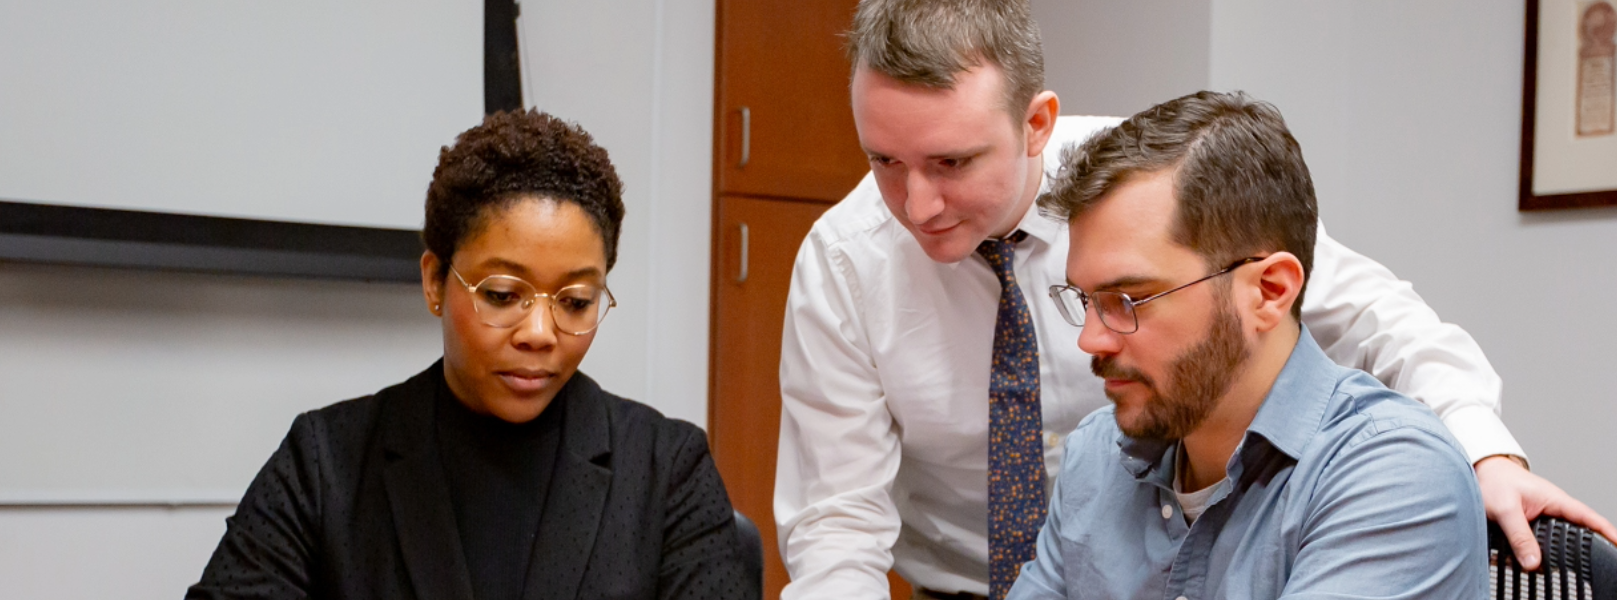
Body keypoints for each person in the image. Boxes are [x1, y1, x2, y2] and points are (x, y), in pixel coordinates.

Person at [773, 1, 1616, 598]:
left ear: (1037, 125)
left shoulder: (1143, 187)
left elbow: (1371, 315)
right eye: (884, 161)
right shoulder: (851, 265)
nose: (915, 203)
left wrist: (1483, 453)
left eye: (951, 163)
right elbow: (837, 529)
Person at [187, 109, 757, 600]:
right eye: (503, 295)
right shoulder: (327, 464)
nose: (540, 332)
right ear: (435, 281)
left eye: (577, 301)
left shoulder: (666, 470)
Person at [1005, 90, 1485, 599]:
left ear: (1269, 291)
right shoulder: (1097, 455)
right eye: (1086, 299)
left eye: (1130, 298)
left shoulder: (1393, 476)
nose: (1089, 339)